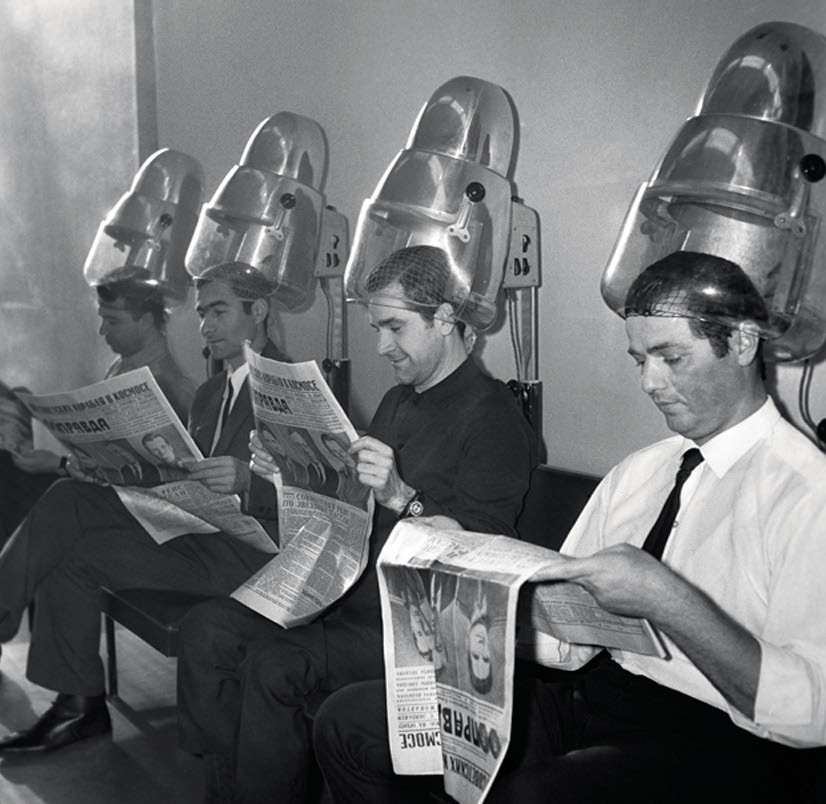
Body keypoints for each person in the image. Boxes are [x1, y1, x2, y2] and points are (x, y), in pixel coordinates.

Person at [312, 250, 826, 803]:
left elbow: (808, 715)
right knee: (352, 722)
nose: (649, 382)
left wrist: (666, 599)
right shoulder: (641, 473)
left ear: (743, 342)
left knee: (534, 795)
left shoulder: (807, 493)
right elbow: (567, 645)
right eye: (639, 360)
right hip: (593, 698)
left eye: (670, 357)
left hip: (716, 737)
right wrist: (475, 592)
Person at [175, 244, 538, 804]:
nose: (381, 346)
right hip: (347, 588)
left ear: (445, 318)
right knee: (208, 629)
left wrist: (403, 497)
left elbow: (487, 551)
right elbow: (351, 503)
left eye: (395, 327)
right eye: (376, 328)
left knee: (275, 664)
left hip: (412, 622)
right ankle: (227, 793)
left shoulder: (493, 417)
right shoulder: (399, 400)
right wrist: (288, 475)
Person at [0, 261, 287, 754]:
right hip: (196, 534)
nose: (206, 326)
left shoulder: (288, 389)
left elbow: (315, 494)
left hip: (249, 560)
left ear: (258, 311)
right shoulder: (212, 393)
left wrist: (246, 480)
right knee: (71, 517)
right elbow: (187, 474)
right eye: (202, 313)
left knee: (69, 517)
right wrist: (123, 467)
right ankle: (78, 706)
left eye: (219, 311)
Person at [0, 279, 197, 546]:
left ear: (146, 321)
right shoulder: (125, 363)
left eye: (113, 321)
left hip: (129, 514)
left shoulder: (169, 385)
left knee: (12, 478)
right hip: (94, 487)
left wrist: (60, 465)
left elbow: (148, 481)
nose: (102, 330)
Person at [320, 431, 370, 507]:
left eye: (342, 449)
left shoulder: (368, 470)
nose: (341, 455)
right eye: (335, 451)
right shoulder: (343, 475)